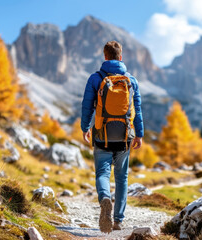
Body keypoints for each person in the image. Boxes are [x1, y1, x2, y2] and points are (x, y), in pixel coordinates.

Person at [81, 41, 143, 233]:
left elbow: (87, 105)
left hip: (102, 135)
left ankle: (105, 198)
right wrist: (139, 134)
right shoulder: (131, 80)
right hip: (125, 137)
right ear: (120, 57)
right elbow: (137, 110)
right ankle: (118, 221)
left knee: (102, 173)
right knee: (122, 178)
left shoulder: (95, 78)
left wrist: (85, 128)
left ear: (105, 56)